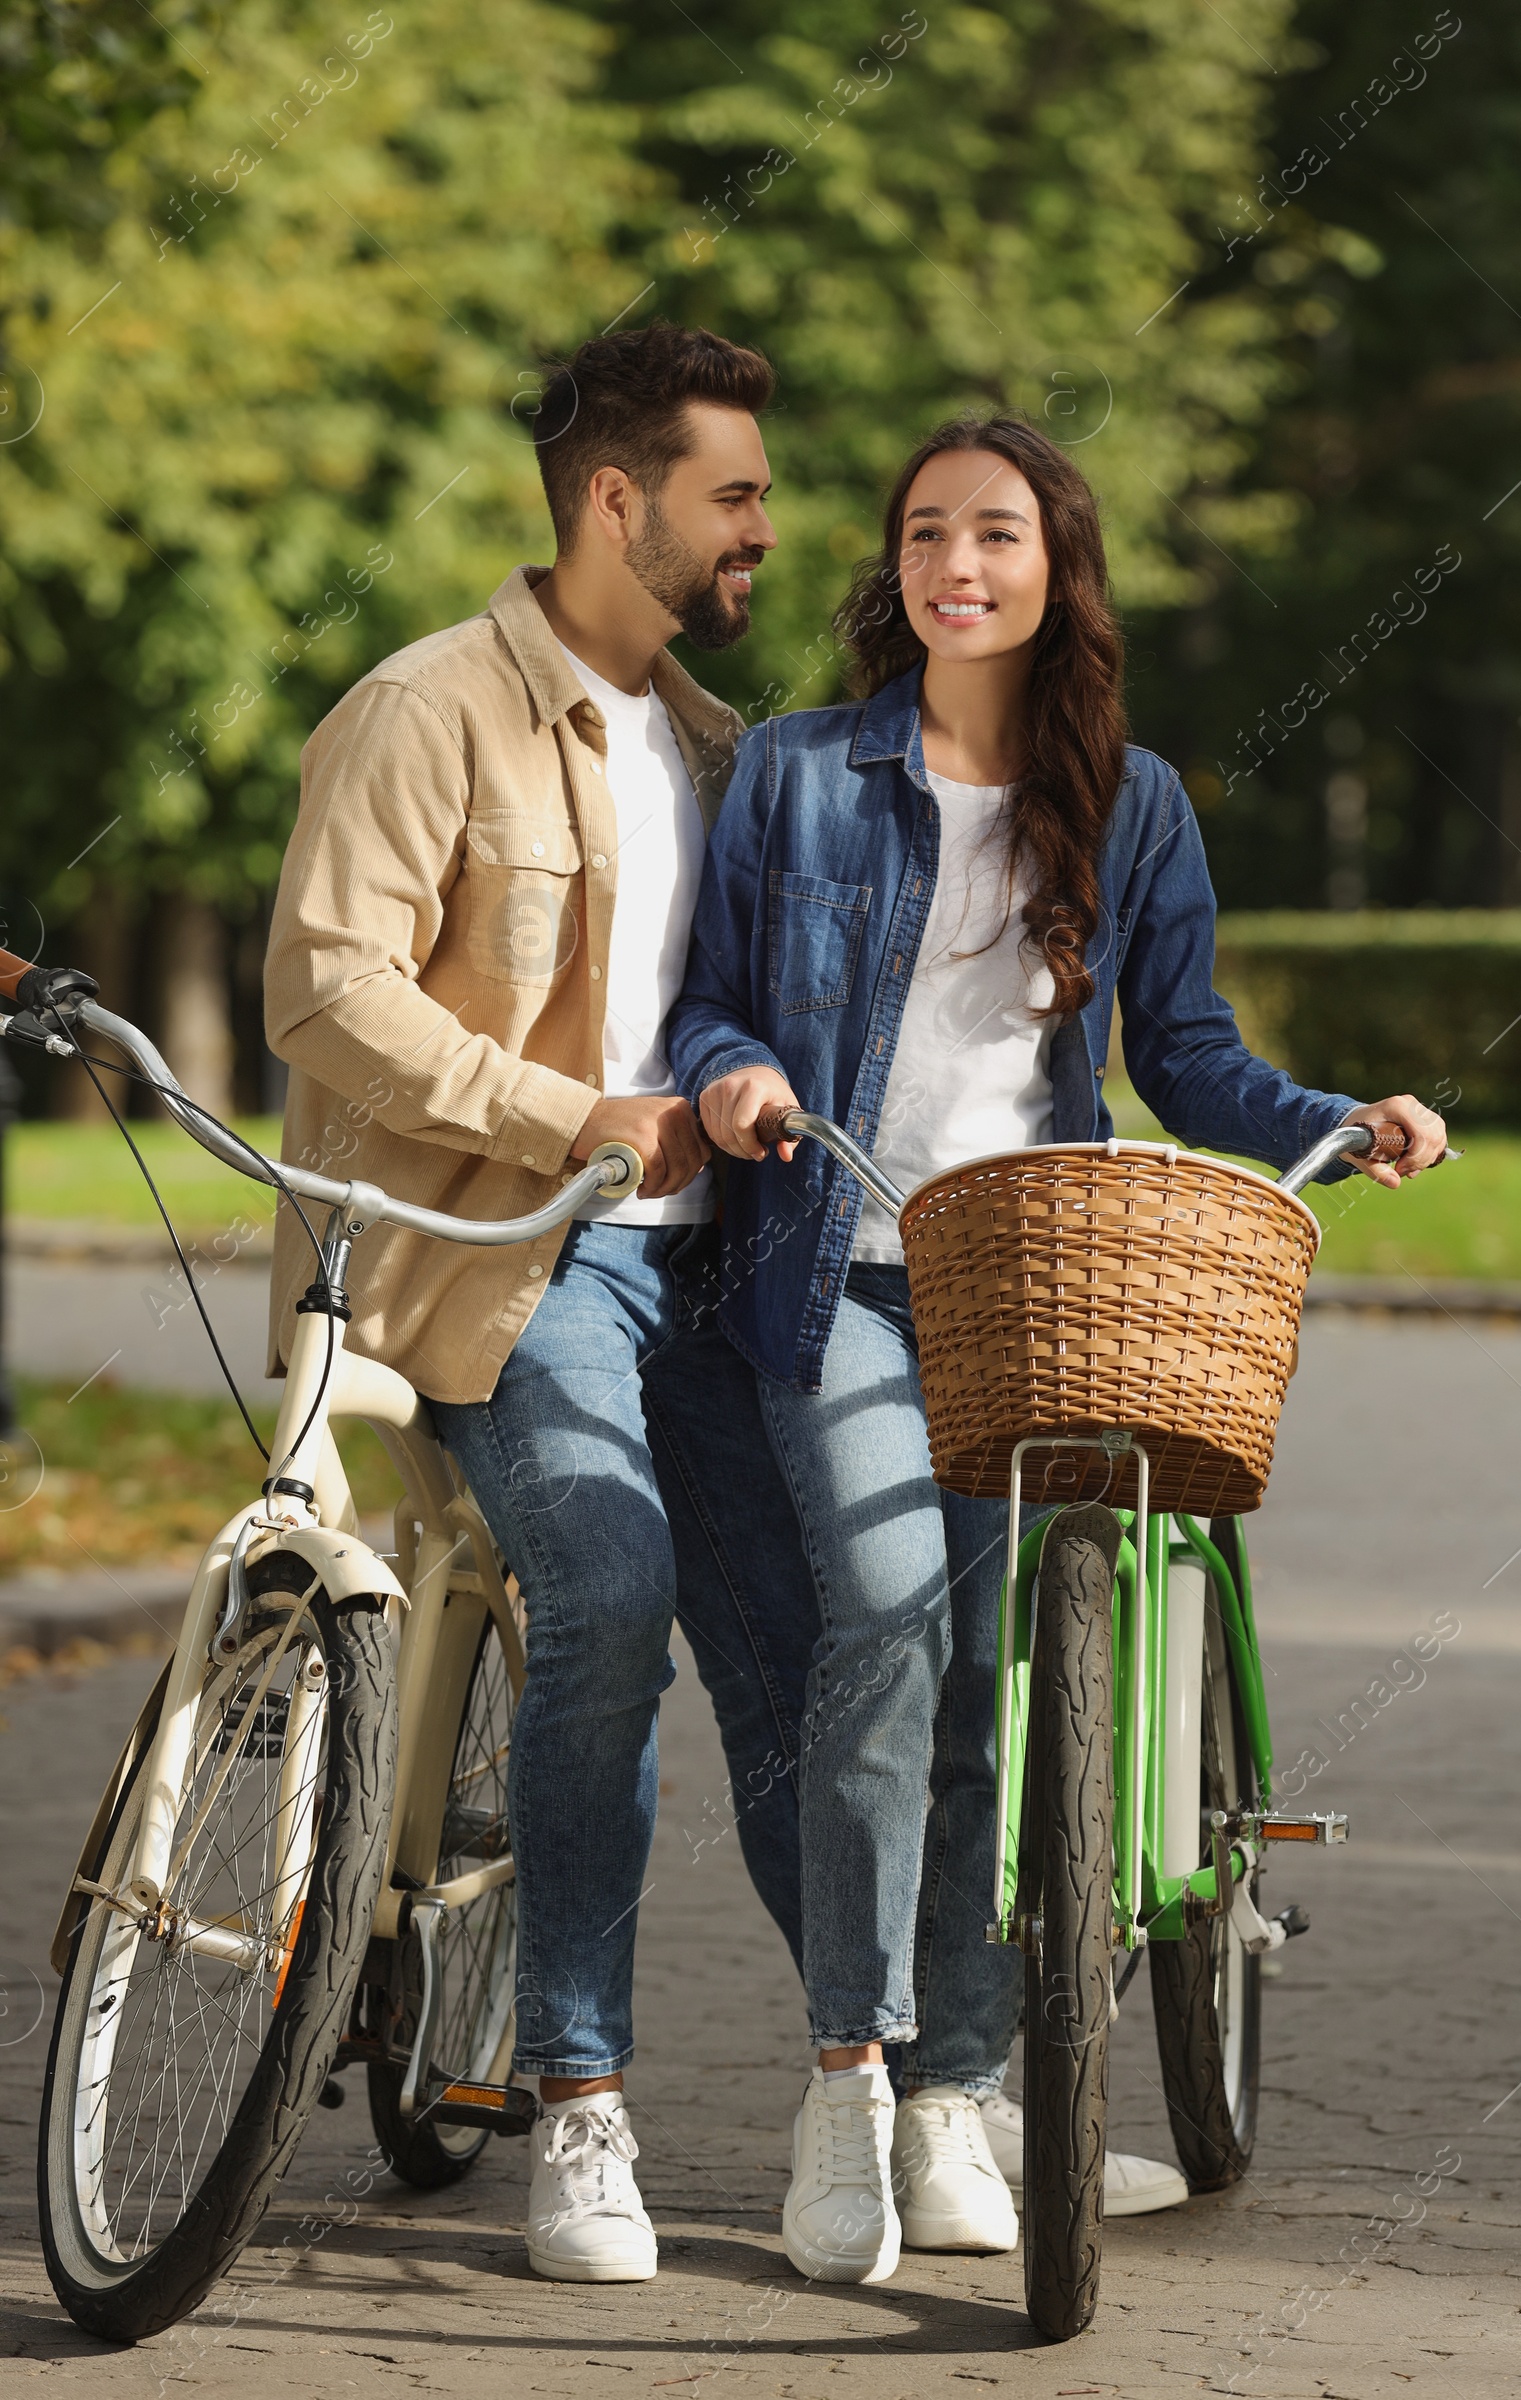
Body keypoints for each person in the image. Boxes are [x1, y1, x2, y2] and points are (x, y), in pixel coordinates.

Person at [668, 411, 1450, 2286]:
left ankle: (953, 2091)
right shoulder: (791, 774)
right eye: (928, 531)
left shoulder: (1133, 799)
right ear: (898, 568)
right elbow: (705, 1000)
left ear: (1052, 568)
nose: (959, 562)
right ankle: (847, 2081)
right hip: (832, 1267)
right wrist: (730, 1070)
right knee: (883, 1623)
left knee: (978, 1703)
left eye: (997, 533)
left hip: (1025, 1289)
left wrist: (1343, 1115)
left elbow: (1184, 1058)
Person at [264, 321, 812, 2286]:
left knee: (851, 1623)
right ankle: (578, 2100)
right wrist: (573, 1116)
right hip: (507, 1268)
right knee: (606, 1581)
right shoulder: (424, 714)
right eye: (731, 492)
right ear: (616, 497)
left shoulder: (726, 754)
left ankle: (915, 2075)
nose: (762, 528)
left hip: (722, 1290)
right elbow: (325, 988)